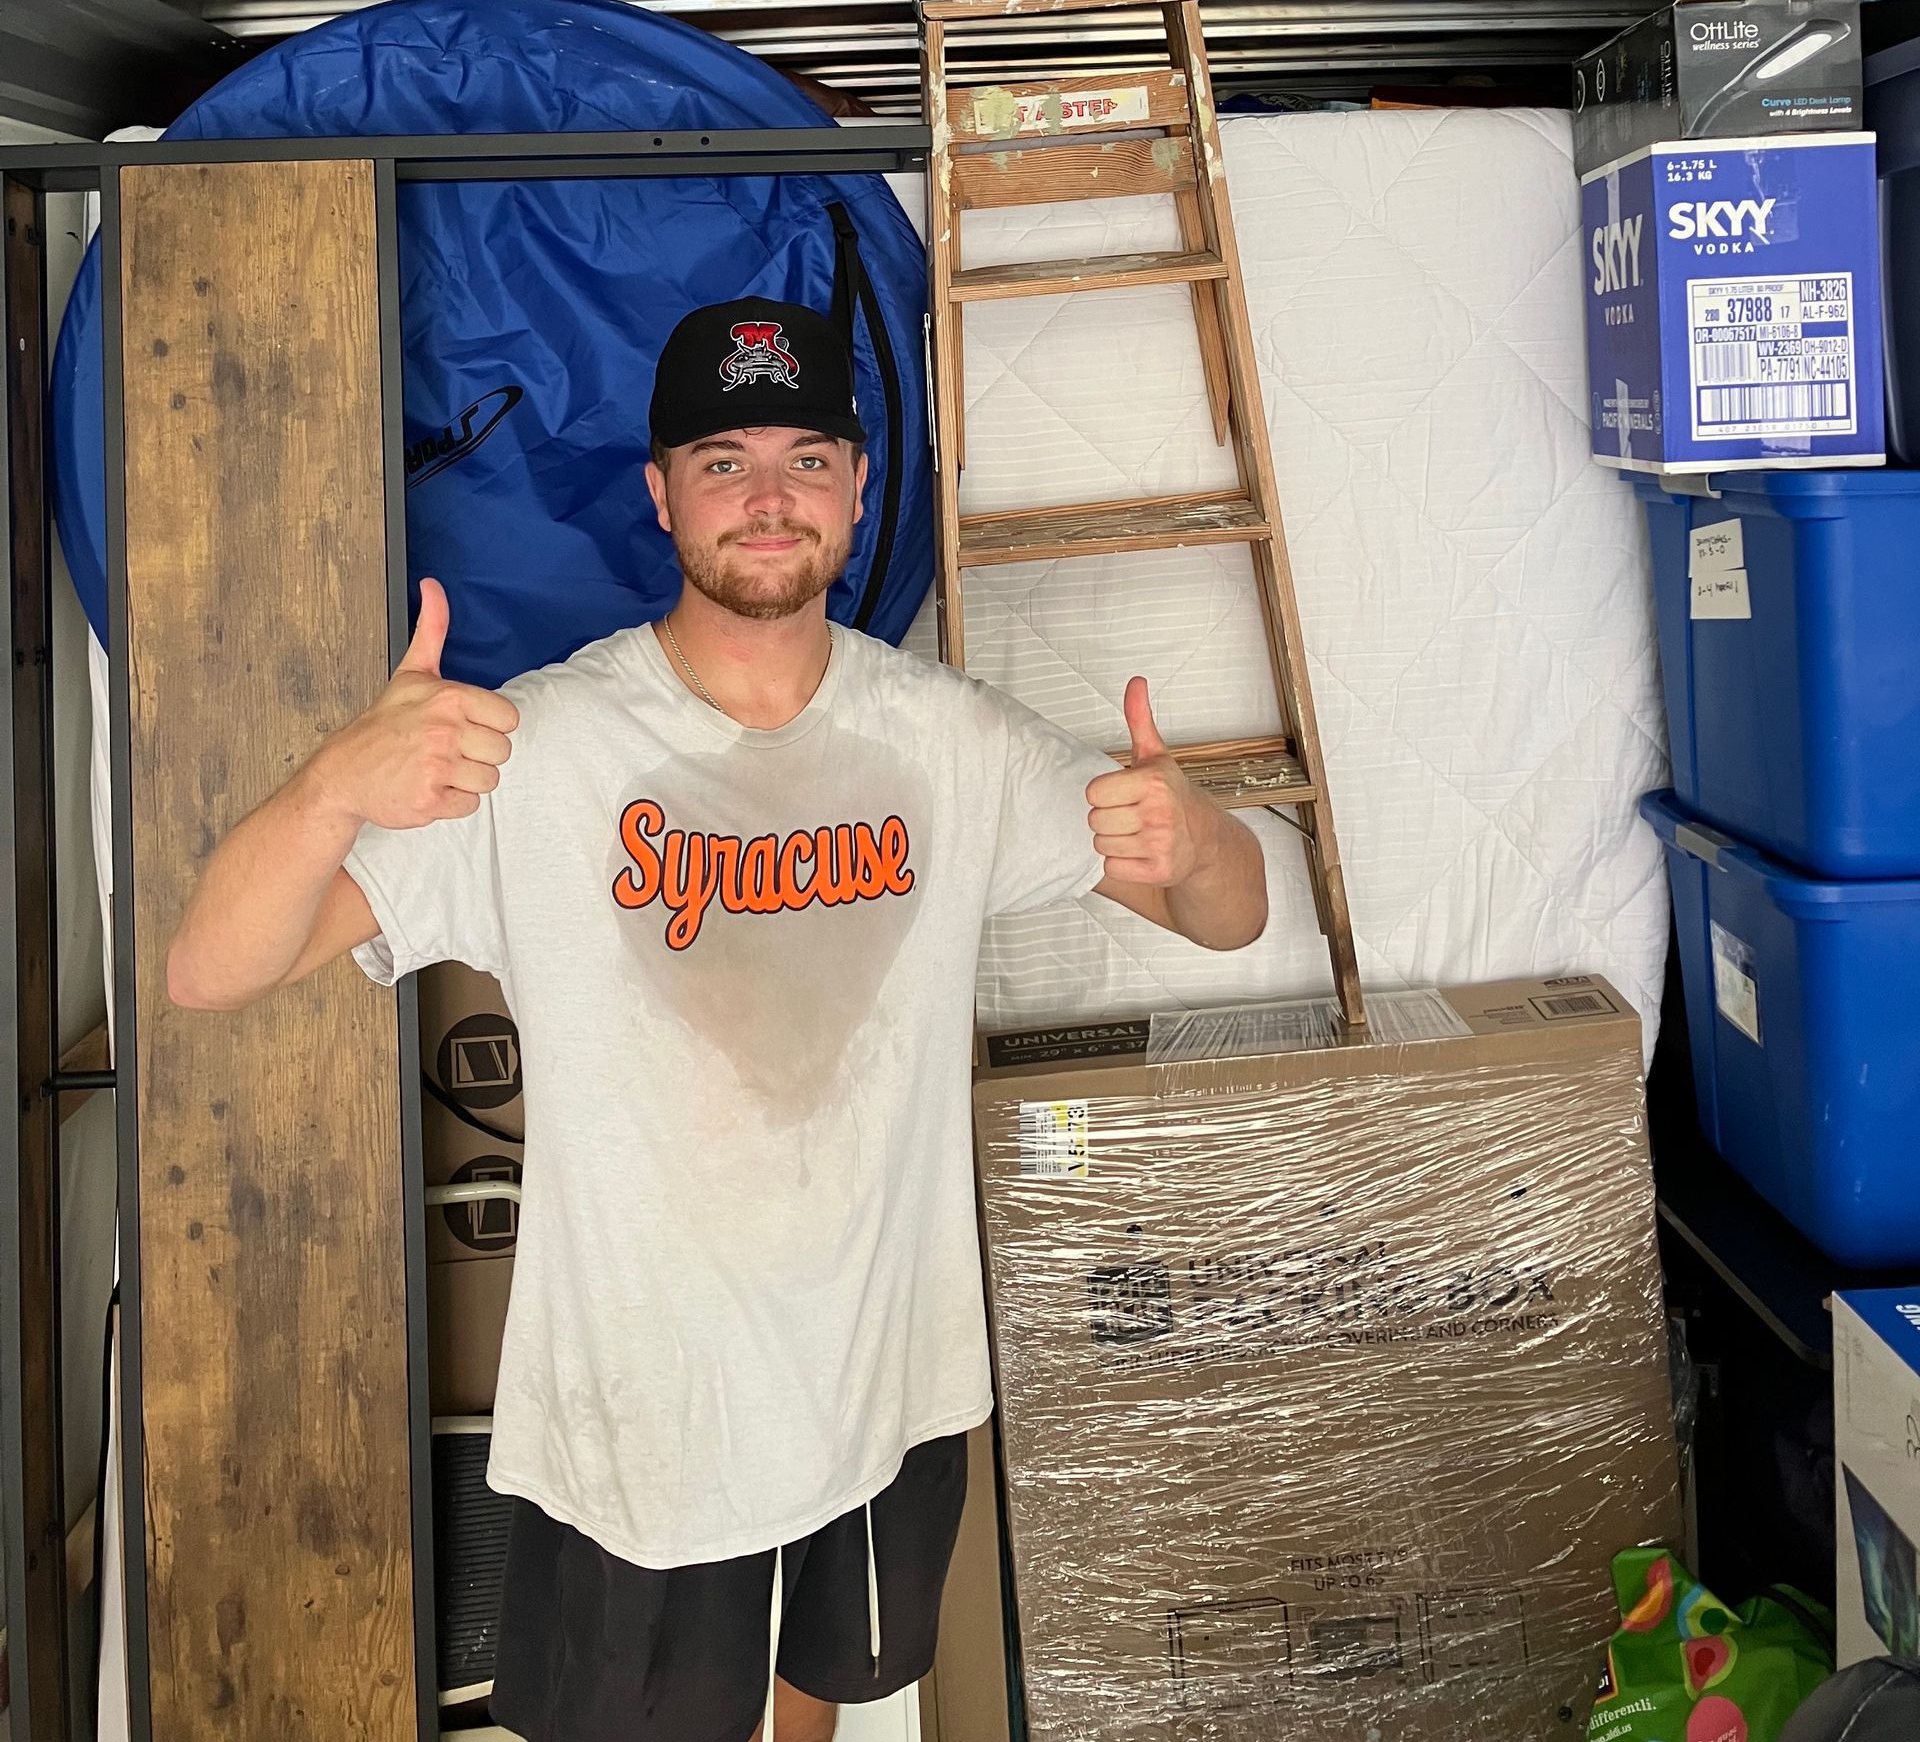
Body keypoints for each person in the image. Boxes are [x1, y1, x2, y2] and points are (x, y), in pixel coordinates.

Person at [168, 296, 1270, 1742]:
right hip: (642, 1419)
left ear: (860, 487)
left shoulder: (948, 742)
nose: (769, 498)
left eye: (808, 459)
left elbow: (1231, 916)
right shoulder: (543, 751)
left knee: (822, 1690)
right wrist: (329, 786)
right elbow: (210, 970)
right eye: (724, 460)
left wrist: (1190, 835)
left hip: (888, 1381)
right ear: (661, 490)